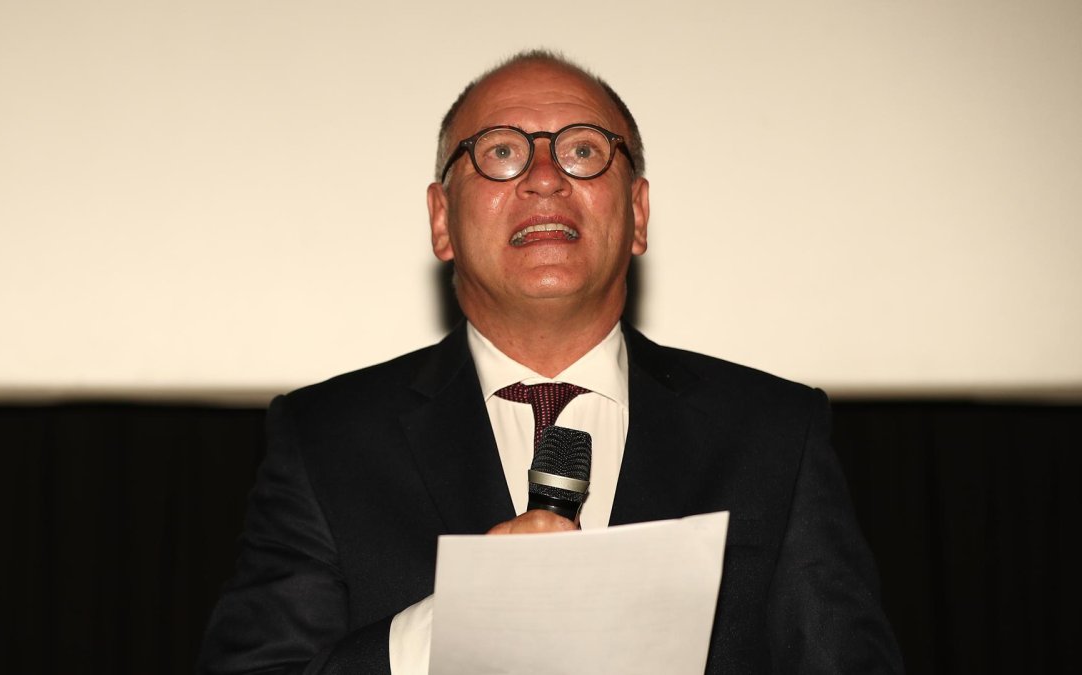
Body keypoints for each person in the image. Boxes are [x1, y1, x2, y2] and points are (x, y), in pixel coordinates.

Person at [198, 51, 903, 674]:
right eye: (500, 152)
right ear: (442, 219)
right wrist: (455, 627)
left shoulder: (774, 432)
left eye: (584, 151)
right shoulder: (327, 438)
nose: (544, 177)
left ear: (639, 212)